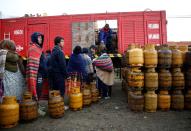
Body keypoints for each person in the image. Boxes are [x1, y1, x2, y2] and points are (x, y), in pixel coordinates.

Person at [26, 32, 44, 100]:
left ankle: (37, 105)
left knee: (39, 89)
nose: (41, 39)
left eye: (41, 38)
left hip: (40, 73)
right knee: (37, 89)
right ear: (35, 38)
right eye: (39, 38)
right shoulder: (33, 48)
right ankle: (36, 107)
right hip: (36, 74)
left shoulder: (39, 48)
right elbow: (32, 64)